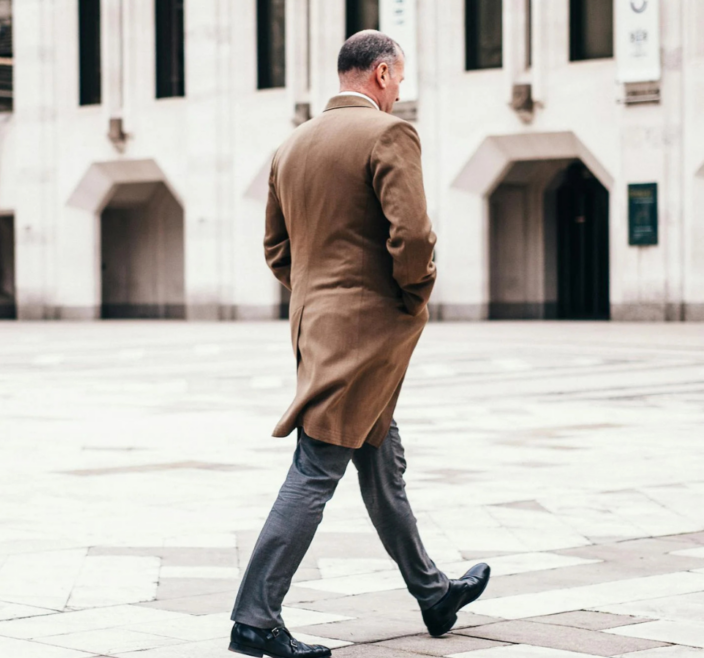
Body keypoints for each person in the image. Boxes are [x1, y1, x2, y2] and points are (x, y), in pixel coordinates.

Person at [228, 31, 491, 658]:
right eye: (398, 78)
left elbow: (276, 249)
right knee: (317, 466)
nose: (400, 90)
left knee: (381, 462)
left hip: (316, 328)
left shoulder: (289, 146)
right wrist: (410, 297)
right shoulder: (388, 135)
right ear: (379, 73)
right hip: (367, 334)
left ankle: (432, 592)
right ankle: (255, 618)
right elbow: (414, 237)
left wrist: (318, 298)